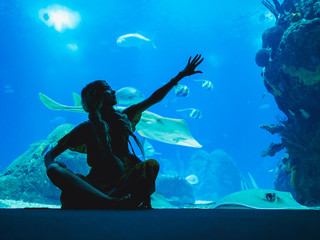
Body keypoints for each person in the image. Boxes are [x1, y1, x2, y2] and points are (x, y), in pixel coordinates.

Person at [44, 54, 204, 209]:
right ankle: (110, 202)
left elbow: (154, 98)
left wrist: (180, 76)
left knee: (150, 165)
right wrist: (53, 164)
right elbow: (50, 155)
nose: (114, 92)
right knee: (54, 169)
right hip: (96, 184)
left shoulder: (125, 116)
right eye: (108, 89)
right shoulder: (87, 128)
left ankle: (105, 201)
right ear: (98, 98)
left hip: (123, 181)